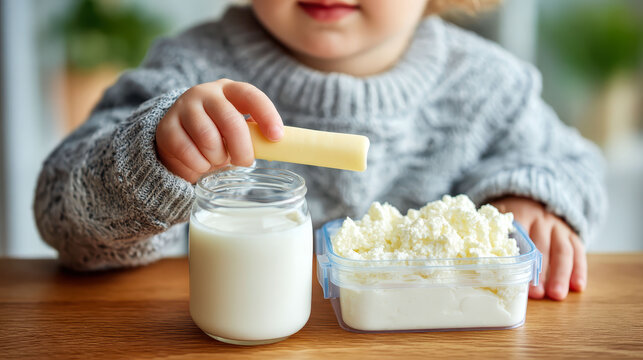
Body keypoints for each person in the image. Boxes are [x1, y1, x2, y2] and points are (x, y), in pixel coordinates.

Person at [34, 0, 606, 301]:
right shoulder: (186, 74)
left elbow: (574, 164)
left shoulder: (492, 87)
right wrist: (157, 160)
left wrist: (532, 196)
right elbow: (60, 210)